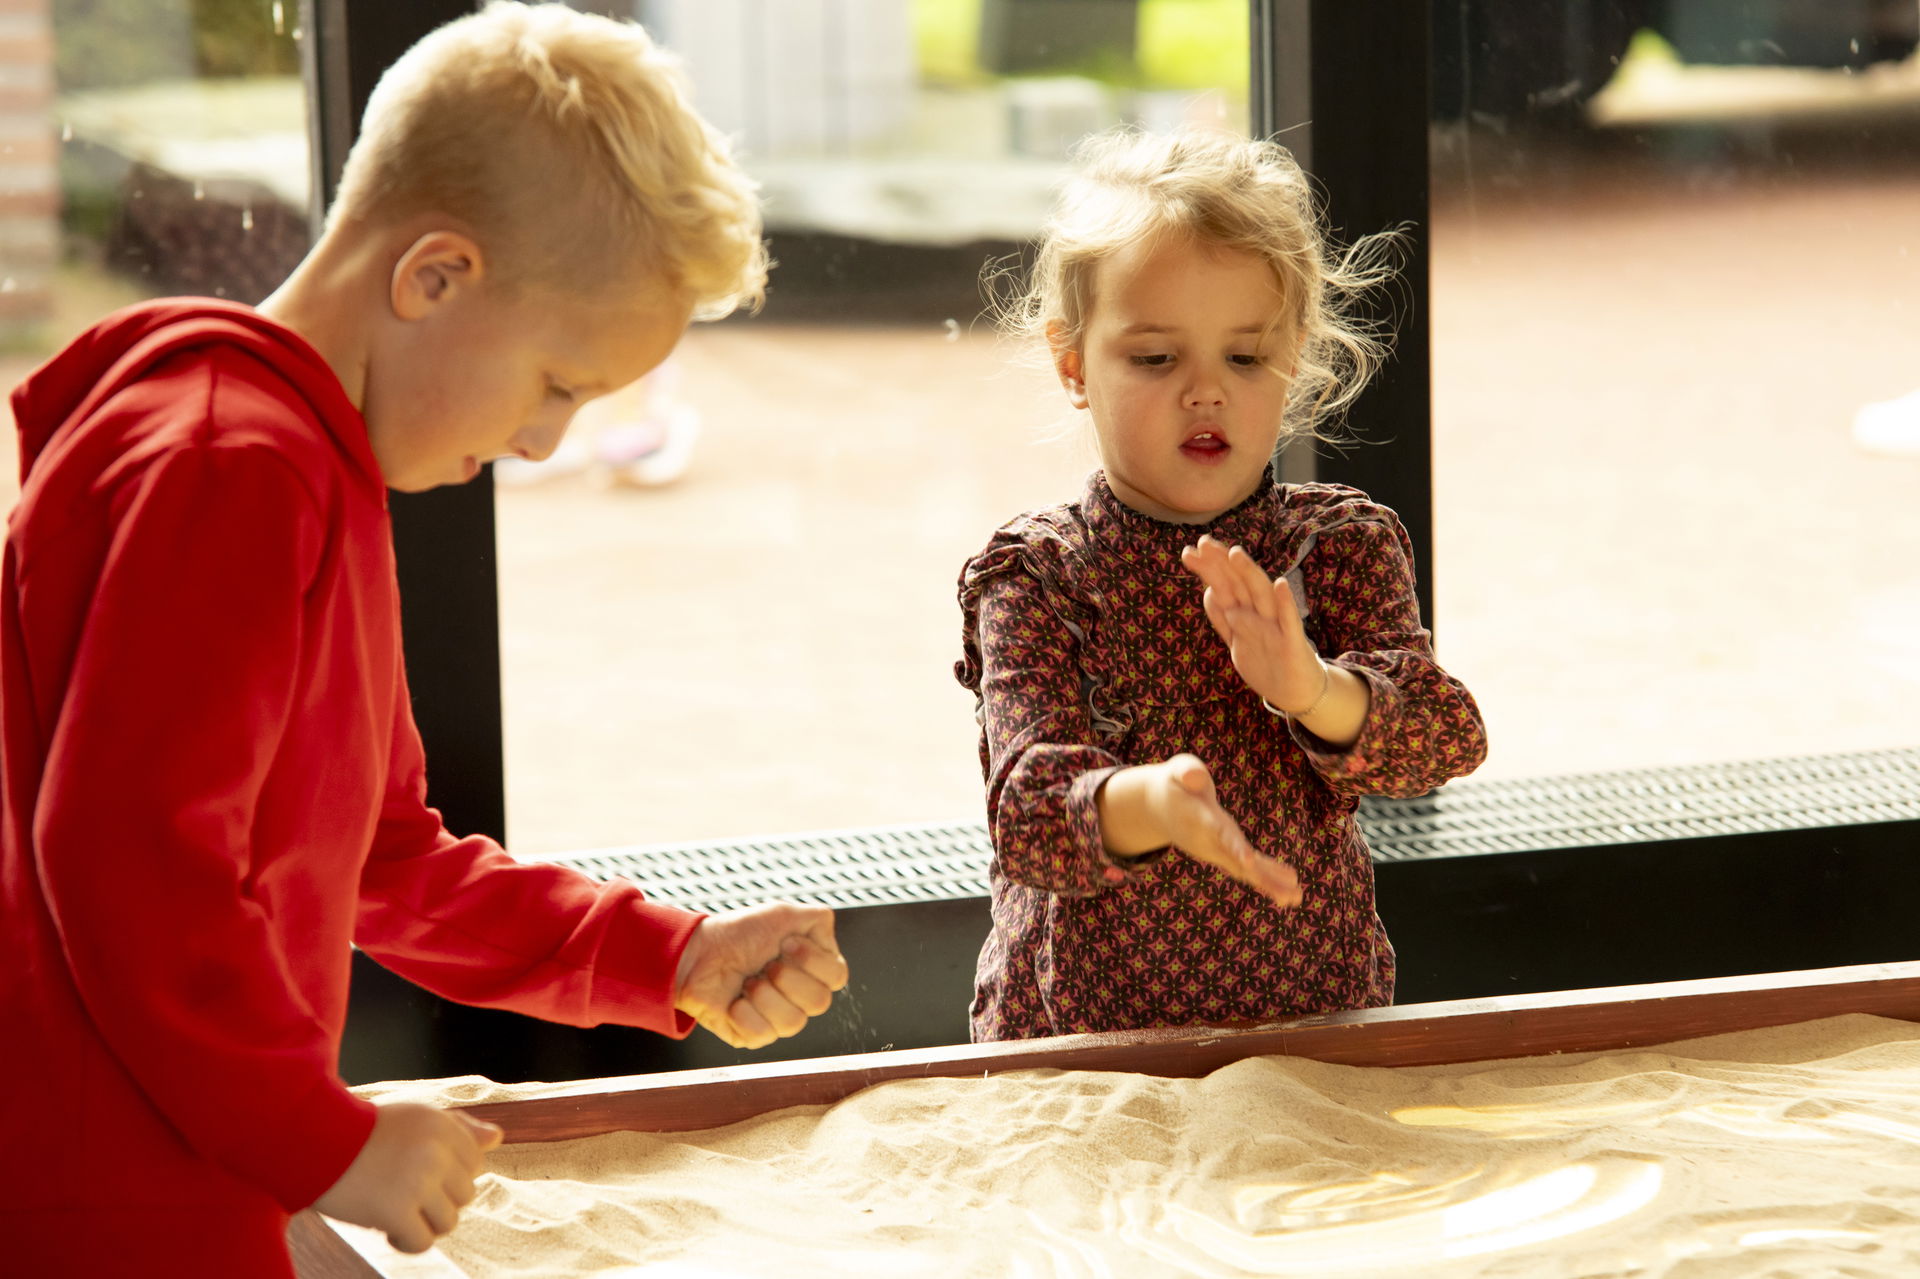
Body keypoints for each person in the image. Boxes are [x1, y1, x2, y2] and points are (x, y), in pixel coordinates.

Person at [0, 5, 848, 1275]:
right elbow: (127, 863)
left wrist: (667, 955)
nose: (544, 441)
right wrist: (322, 1138)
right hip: (99, 1193)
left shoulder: (311, 470)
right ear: (434, 276)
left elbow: (384, 857)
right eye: (556, 382)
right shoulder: (230, 466)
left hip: (178, 1146)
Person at [955, 127, 1488, 1043]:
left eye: (1244, 357)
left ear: (1296, 356)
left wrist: (1315, 690)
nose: (1206, 392)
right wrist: (1151, 802)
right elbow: (1029, 817)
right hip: (1082, 1046)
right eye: (1156, 358)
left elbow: (1444, 740)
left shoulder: (1336, 545)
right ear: (1073, 362)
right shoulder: (1038, 574)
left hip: (1316, 1028)